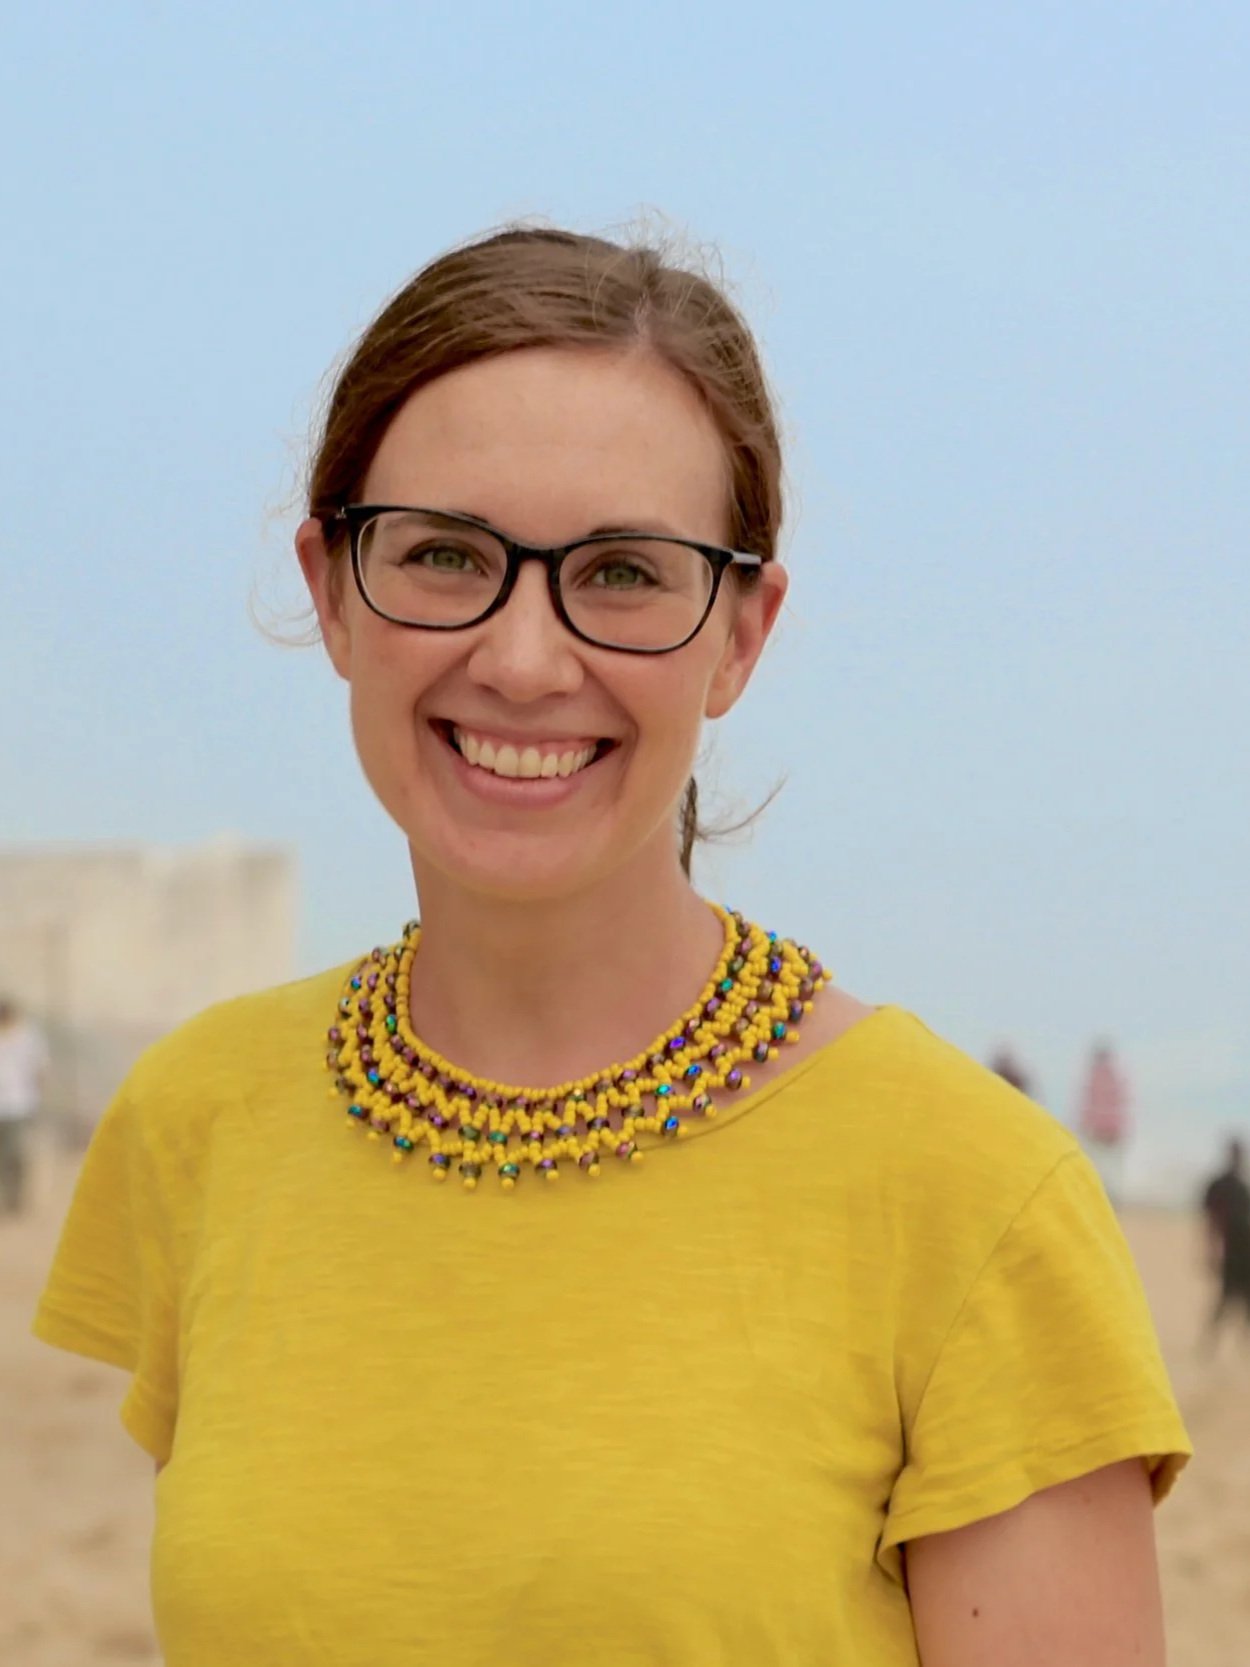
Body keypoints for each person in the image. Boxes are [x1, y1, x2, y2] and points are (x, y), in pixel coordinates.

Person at [34, 226, 1190, 1667]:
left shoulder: (974, 1198)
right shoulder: (200, 1120)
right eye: (445, 554)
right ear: (331, 589)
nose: (523, 658)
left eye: (623, 572)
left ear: (739, 635)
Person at [0, 996, 49, 1216]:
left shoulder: (28, 1037)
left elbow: (39, 1068)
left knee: (16, 1154)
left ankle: (15, 1199)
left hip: (19, 1104)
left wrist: (38, 1098)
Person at [1200, 1136, 1250, 1351]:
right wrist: (1213, 1250)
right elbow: (1212, 1221)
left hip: (1246, 1251)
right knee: (1225, 1299)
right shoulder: (1220, 1186)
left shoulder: (1242, 1186)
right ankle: (1209, 1343)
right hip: (1231, 1252)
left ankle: (1244, 1346)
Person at [1077, 1038, 1132, 1207]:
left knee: (1098, 1163)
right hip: (1115, 1128)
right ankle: (1114, 1196)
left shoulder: (1094, 1075)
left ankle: (1102, 1194)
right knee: (1114, 1166)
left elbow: (1088, 1103)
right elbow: (1123, 1102)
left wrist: (1084, 1125)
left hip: (1098, 1128)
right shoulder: (1118, 1075)